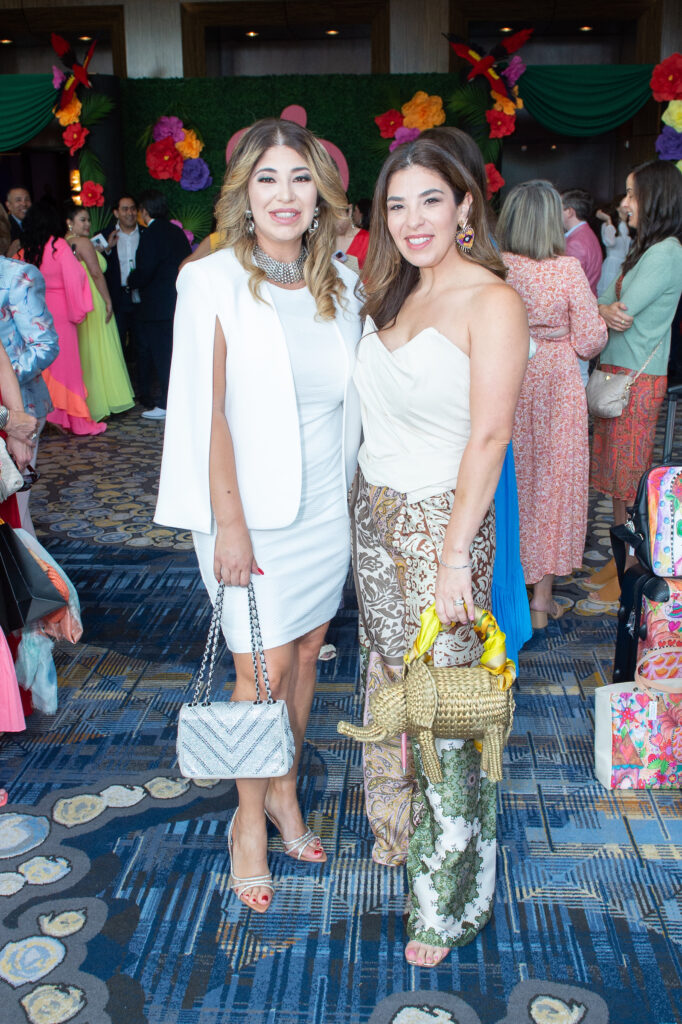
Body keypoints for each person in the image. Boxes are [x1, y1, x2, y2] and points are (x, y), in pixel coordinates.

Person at [155, 118, 362, 915]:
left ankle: (283, 792)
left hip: (324, 512)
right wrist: (229, 526)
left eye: (301, 179)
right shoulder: (209, 280)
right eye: (268, 179)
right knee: (258, 674)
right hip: (249, 512)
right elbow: (203, 414)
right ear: (244, 194)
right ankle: (249, 823)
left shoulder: (340, 284)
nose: (285, 195)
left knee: (306, 655)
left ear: (322, 198)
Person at [351, 135, 528, 966]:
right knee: (390, 681)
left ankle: (450, 898)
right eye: (396, 203)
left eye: (430, 200)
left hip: (442, 527)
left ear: (465, 207)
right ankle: (397, 833)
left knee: (447, 711)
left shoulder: (489, 299)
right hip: (374, 519)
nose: (412, 219)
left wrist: (456, 554)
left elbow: (490, 434)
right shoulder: (389, 293)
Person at [498, 181, 607, 627]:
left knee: (512, 482)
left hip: (508, 379)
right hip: (558, 385)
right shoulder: (565, 269)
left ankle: (509, 596)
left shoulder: (496, 267)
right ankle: (542, 604)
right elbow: (590, 339)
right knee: (554, 487)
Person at [589, 160, 682, 602]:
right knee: (613, 477)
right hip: (618, 376)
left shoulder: (667, 252)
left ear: (655, 198)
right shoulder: (647, 248)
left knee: (628, 478)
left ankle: (633, 568)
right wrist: (606, 308)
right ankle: (620, 559)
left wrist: (606, 308)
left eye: (631, 193)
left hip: (637, 380)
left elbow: (620, 311)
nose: (624, 203)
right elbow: (606, 301)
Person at [20, 202, 104, 437]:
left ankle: (42, 416)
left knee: (39, 366)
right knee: (67, 368)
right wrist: (78, 311)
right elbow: (75, 278)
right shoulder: (58, 246)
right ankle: (72, 420)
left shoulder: (23, 248)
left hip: (31, 313)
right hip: (59, 312)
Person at [0, 252, 59, 533]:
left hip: (19, 409)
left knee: (15, 519)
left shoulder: (16, 275)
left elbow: (45, 345)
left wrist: (14, 421)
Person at [65, 203, 134, 422]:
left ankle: (92, 402)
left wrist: (102, 250)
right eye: (82, 220)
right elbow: (96, 273)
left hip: (78, 301)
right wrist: (108, 301)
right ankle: (106, 400)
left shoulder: (65, 243)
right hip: (93, 299)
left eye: (88, 220)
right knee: (101, 348)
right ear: (70, 222)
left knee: (88, 351)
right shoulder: (83, 242)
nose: (87, 224)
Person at [127, 190, 191, 421]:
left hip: (156, 307)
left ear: (145, 211)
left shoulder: (150, 234)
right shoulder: (176, 232)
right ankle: (182, 401)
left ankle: (166, 403)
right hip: (178, 300)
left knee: (163, 357)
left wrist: (130, 281)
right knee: (177, 354)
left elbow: (145, 271)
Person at [104, 194, 144, 399]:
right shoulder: (105, 235)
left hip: (140, 297)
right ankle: (120, 391)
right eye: (125, 209)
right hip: (117, 297)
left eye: (132, 208)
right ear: (116, 212)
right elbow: (97, 266)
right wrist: (107, 250)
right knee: (117, 343)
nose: (130, 213)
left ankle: (142, 389)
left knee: (141, 343)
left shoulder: (145, 234)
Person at [596, 196, 631, 297]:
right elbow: (610, 242)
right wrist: (608, 220)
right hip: (612, 265)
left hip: (625, 265)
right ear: (617, 207)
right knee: (609, 294)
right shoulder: (608, 225)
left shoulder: (629, 226)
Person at [334, 203, 369, 274]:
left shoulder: (367, 239)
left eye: (338, 215)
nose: (333, 222)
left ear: (349, 210)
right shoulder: (323, 240)